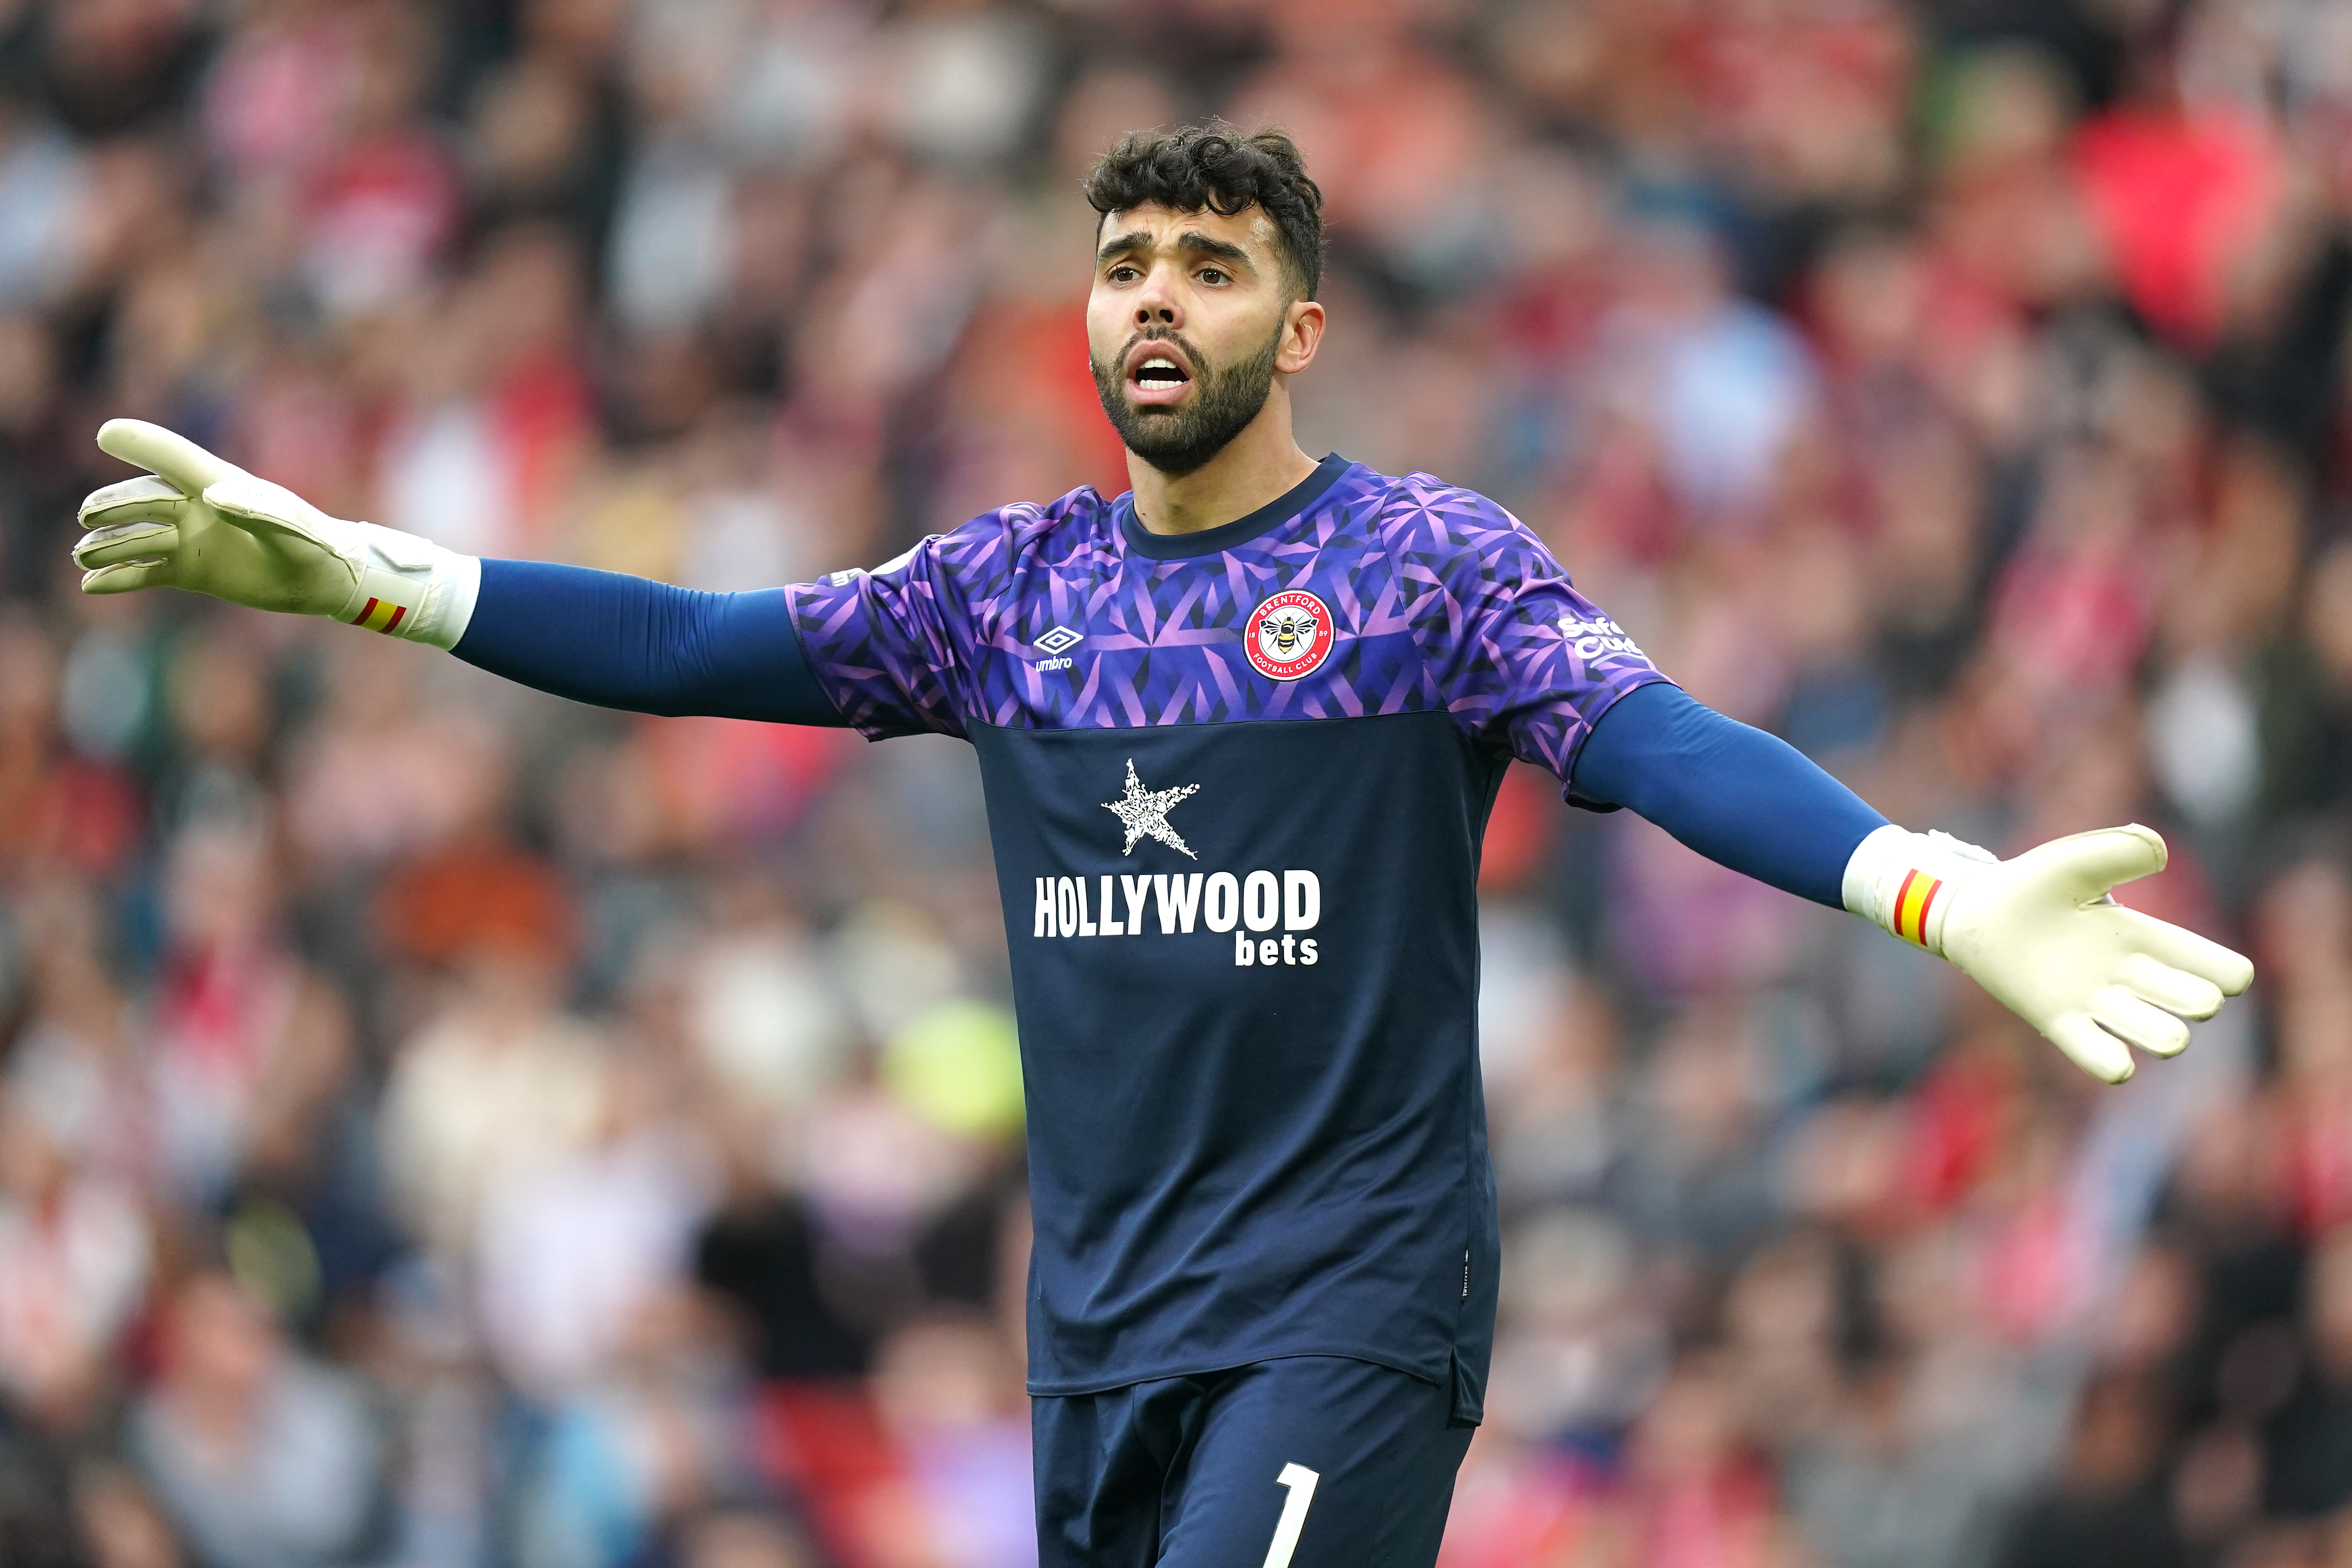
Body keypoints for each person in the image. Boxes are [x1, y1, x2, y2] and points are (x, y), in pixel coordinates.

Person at [68, 124, 2251, 1568]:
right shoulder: (1006, 596)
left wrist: (1937, 887)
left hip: (1350, 1301)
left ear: (1295, 325)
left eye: (1210, 267)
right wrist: (369, 574)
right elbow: (684, 638)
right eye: (1124, 263)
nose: (1154, 300)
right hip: (1100, 1333)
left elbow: (1659, 743)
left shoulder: (1423, 574)